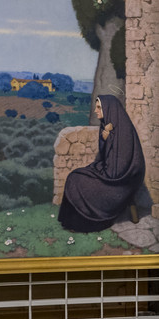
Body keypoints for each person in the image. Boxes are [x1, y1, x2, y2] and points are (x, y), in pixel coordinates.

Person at [58, 94, 150, 232]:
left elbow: (120, 167)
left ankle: (86, 222)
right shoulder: (107, 126)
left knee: (79, 181)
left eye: (99, 107)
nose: (96, 111)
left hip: (120, 180)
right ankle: (72, 221)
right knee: (75, 175)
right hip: (109, 171)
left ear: (109, 109)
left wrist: (101, 170)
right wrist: (105, 138)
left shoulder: (124, 130)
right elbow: (105, 155)